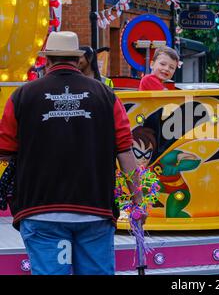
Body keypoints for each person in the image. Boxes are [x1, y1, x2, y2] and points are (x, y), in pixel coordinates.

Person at [0, 31, 140, 275]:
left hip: (40, 208)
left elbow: (4, 151)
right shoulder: (106, 95)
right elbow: (125, 152)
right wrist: (139, 200)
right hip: (94, 208)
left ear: (47, 60)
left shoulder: (22, 95)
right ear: (77, 59)